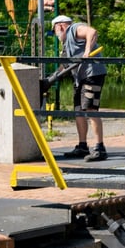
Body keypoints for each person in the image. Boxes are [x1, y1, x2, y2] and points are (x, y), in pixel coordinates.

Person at [52, 15, 108, 161]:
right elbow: (64, 66)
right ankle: (82, 146)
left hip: (92, 74)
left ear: (60, 26)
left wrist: (87, 51)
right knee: (78, 111)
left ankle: (100, 148)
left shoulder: (74, 29)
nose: (56, 35)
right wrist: (49, 80)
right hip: (80, 78)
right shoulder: (66, 45)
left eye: (54, 31)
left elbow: (92, 32)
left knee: (90, 109)